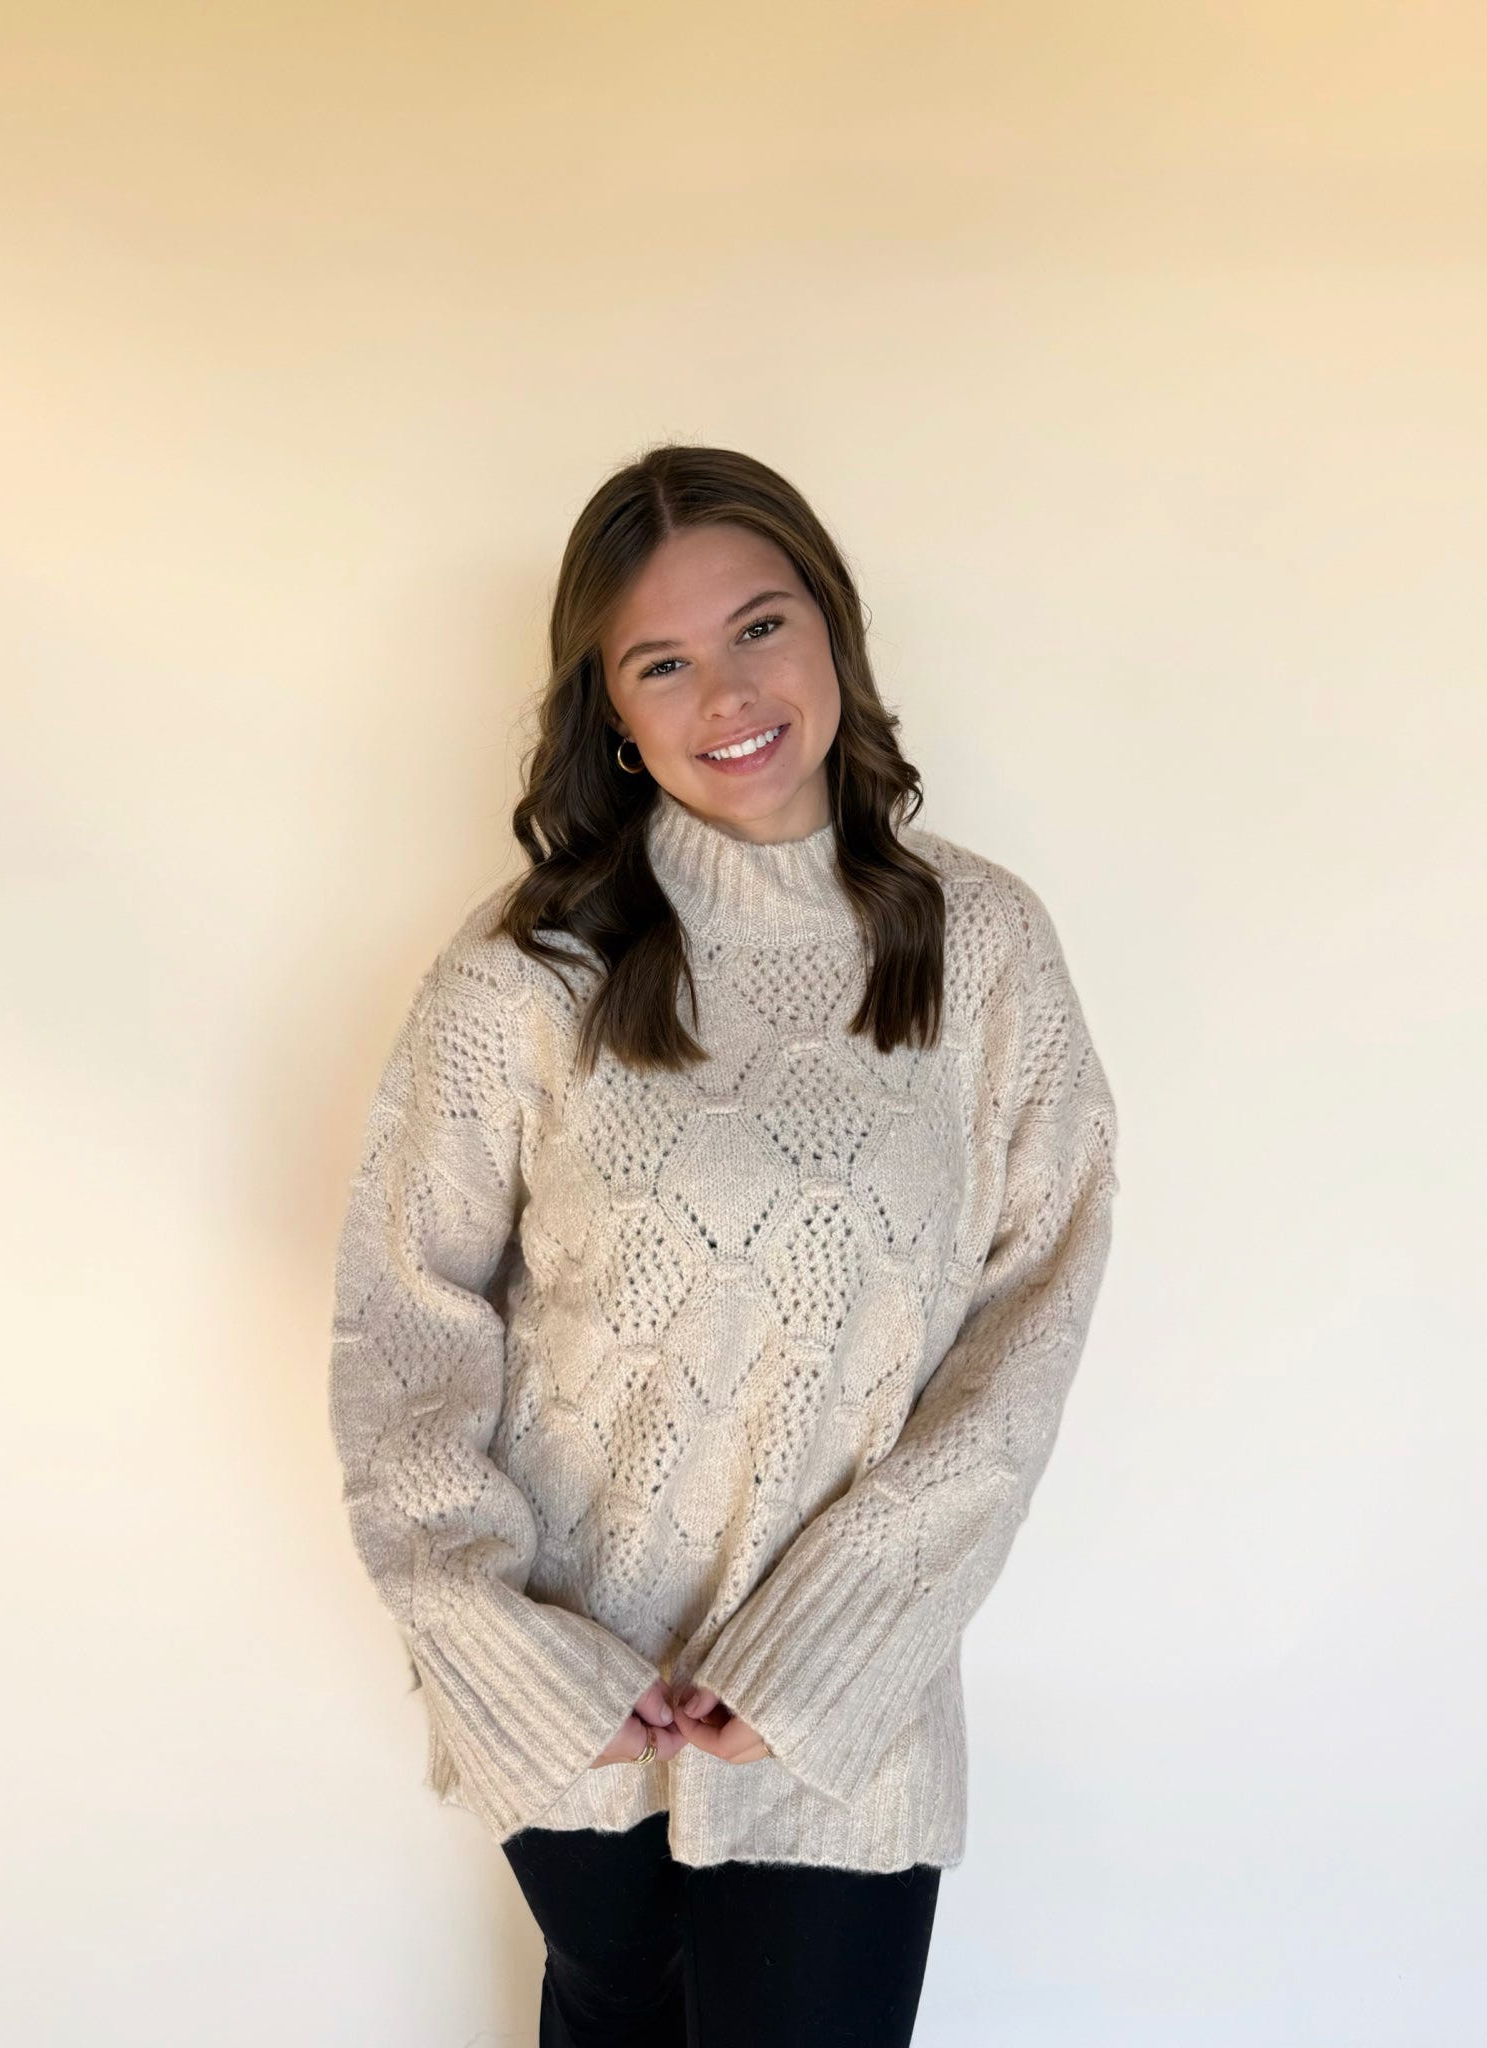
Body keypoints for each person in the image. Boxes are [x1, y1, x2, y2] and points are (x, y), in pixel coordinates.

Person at [327, 443, 1120, 2045]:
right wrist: (514, 1652)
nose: (726, 694)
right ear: (608, 709)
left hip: (845, 1708)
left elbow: (1031, 1321)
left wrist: (829, 1643)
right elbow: (401, 1326)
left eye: (760, 627)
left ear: (832, 628)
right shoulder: (524, 977)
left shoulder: (984, 949)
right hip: (576, 1704)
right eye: (662, 661)